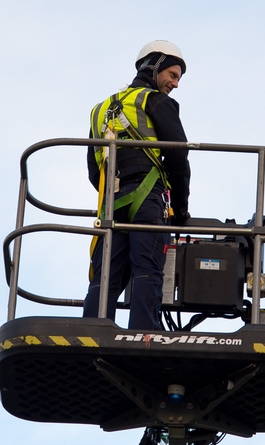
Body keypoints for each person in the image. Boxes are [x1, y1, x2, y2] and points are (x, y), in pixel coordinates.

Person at [82, 40, 191, 330]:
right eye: (173, 75)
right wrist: (180, 210)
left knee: (105, 277)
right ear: (154, 67)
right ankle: (144, 335)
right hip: (147, 199)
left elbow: (94, 170)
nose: (175, 84)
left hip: (111, 205)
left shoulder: (100, 110)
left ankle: (91, 333)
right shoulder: (155, 101)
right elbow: (178, 156)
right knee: (147, 270)